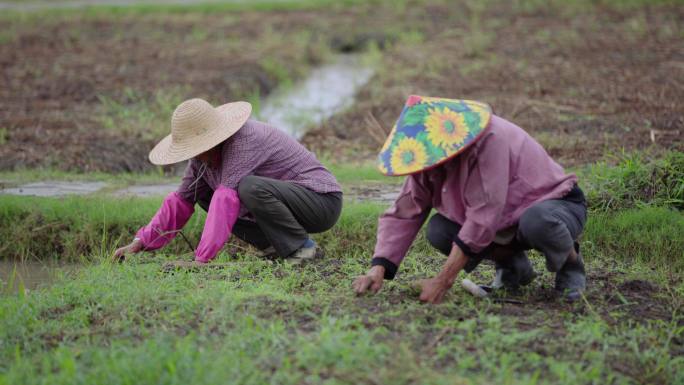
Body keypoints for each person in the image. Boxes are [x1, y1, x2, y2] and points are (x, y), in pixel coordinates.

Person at [352, 95, 587, 303]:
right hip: (504, 221)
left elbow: (483, 217)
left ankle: (571, 265)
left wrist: (442, 281)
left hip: (553, 204)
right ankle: (512, 266)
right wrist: (378, 268)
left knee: (537, 221)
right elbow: (405, 211)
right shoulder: (427, 160)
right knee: (440, 230)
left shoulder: (489, 140)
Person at [113, 98, 343, 266]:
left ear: (214, 138)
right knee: (203, 193)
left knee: (249, 188)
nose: (195, 155)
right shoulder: (202, 160)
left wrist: (201, 260)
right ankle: (274, 248)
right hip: (291, 204)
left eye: (198, 148)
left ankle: (303, 250)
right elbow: (180, 201)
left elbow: (226, 201)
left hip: (320, 202)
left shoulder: (244, 140)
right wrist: (140, 242)